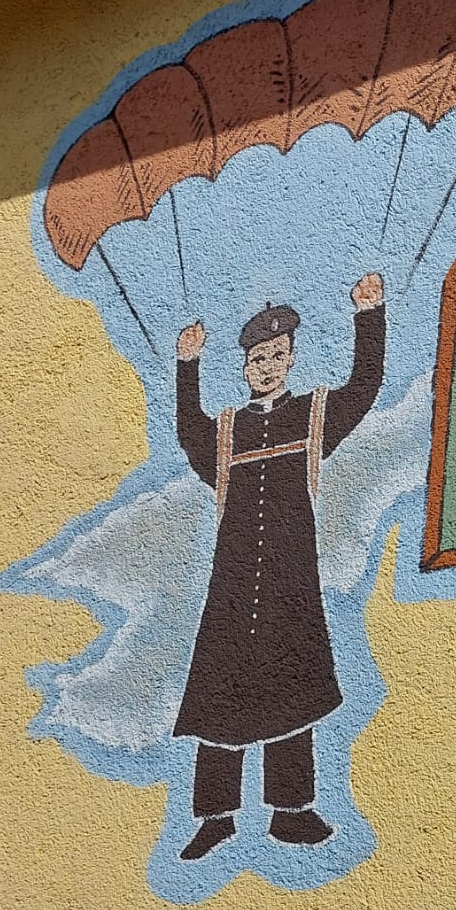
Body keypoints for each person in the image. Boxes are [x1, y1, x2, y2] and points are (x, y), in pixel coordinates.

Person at [172, 272, 386, 860]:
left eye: (275, 355)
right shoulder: (226, 434)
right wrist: (187, 364)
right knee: (220, 692)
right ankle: (216, 817)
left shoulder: (312, 416)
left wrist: (370, 314)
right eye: (256, 359)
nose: (266, 366)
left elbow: (364, 387)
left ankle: (291, 812)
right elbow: (188, 430)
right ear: (245, 367)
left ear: (290, 358)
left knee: (293, 687)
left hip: (291, 584)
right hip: (233, 586)